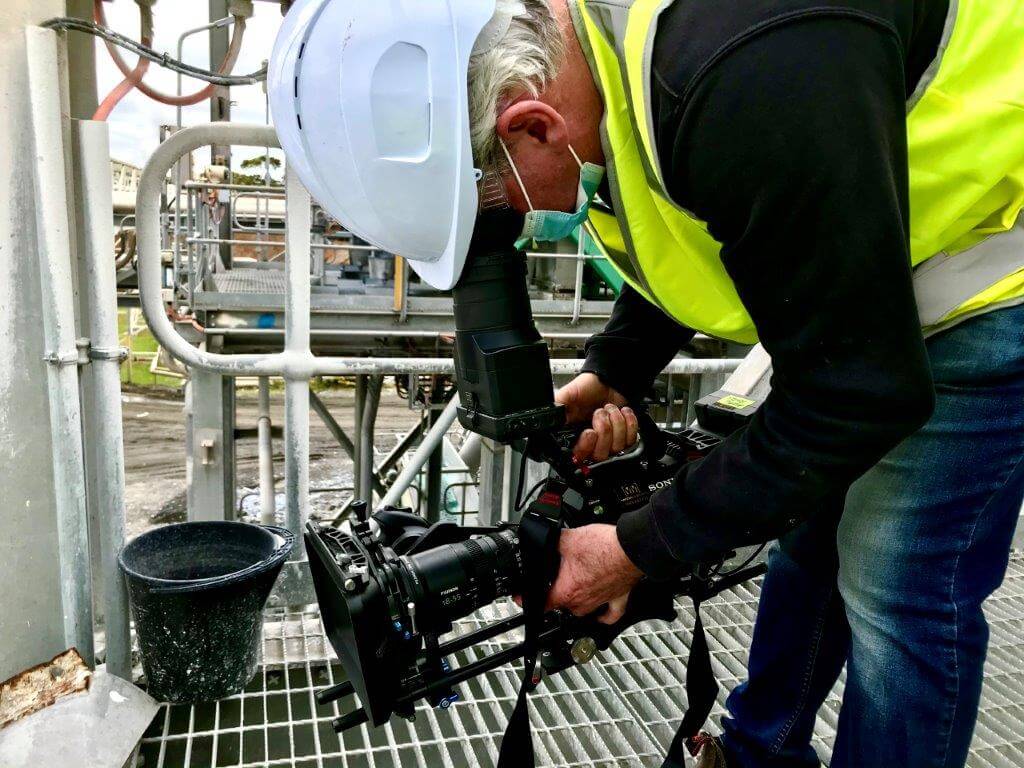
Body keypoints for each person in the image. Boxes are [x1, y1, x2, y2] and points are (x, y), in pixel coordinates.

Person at [270, 0, 1024, 765]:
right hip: (869, 272)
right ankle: (761, 754)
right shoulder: (609, 60)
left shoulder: (746, 66)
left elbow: (858, 392)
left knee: (898, 587)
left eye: (501, 212)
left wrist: (635, 548)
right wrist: (614, 370)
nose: (525, 226)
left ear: (533, 124)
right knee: (810, 538)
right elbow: (718, 211)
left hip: (989, 263)